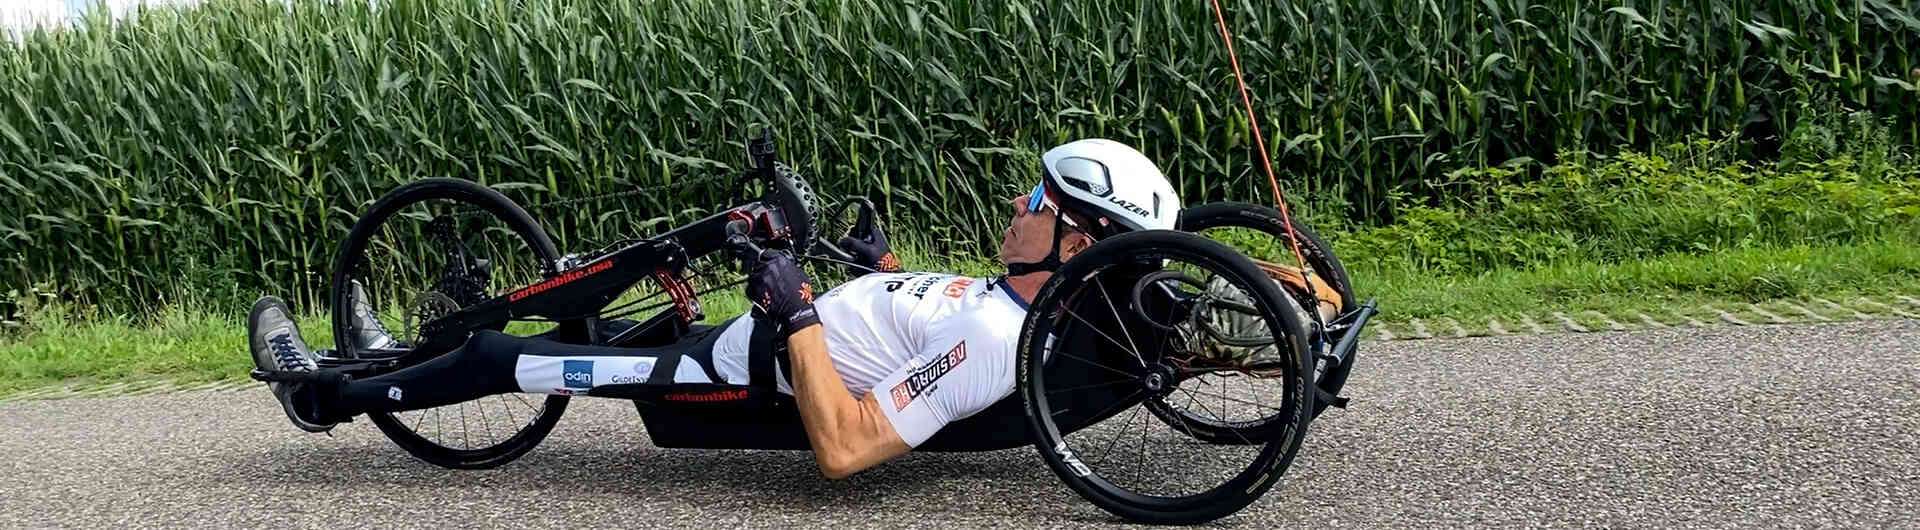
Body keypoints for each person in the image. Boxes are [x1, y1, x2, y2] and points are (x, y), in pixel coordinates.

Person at [248, 138, 1184, 479]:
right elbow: (918, 324)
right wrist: (876, 267)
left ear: (1074, 240)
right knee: (594, 293)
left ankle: (324, 399)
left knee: (506, 358)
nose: (1018, 208)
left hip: (736, 366)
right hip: (775, 324)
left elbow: (848, 446)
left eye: (1036, 203)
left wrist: (800, 313)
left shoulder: (997, 339)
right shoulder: (1009, 304)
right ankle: (387, 356)